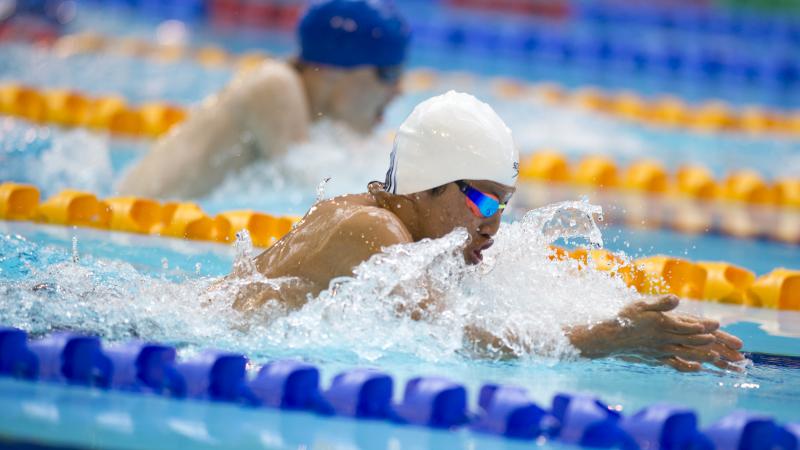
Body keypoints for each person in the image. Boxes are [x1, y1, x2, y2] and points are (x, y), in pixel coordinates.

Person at [224, 91, 744, 372]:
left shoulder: (392, 227)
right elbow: (451, 339)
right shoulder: (373, 229)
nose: (493, 221)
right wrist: (607, 339)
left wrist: (619, 319)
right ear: (429, 183)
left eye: (504, 203)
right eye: (481, 198)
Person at [118, 0, 410, 199]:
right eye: (388, 74)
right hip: (132, 223)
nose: (399, 90)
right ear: (335, 70)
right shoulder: (275, 84)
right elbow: (315, 185)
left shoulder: (297, 102)